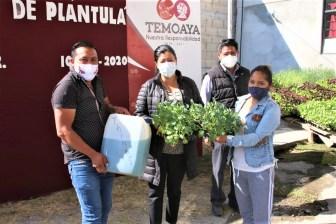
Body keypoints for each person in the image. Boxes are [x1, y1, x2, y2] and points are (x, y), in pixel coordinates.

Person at [51, 41, 129, 224]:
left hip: (104, 155)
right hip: (82, 161)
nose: (90, 63)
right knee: (92, 215)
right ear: (71, 61)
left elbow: (105, 106)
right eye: (84, 59)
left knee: (105, 208)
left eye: (94, 59)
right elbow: (63, 130)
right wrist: (93, 155)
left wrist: (116, 109)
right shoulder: (66, 88)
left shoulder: (98, 81)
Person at [134, 44, 203, 224]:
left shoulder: (188, 84)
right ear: (156, 64)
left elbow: (200, 109)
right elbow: (139, 114)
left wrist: (192, 123)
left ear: (176, 61)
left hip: (180, 152)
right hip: (157, 151)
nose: (167, 63)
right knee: (155, 194)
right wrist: (155, 123)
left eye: (170, 60)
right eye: (163, 61)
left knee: (175, 192)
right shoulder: (149, 86)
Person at [216, 65, 281, 224]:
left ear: (269, 86)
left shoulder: (271, 109)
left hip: (259, 169)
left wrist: (228, 139)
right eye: (252, 81)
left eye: (261, 83)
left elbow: (256, 138)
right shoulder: (241, 102)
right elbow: (233, 127)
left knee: (261, 219)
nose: (255, 86)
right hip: (238, 167)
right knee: (246, 215)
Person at [200, 38, 250, 216]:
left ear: (238, 54)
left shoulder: (246, 73)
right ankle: (217, 201)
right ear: (219, 55)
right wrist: (207, 132)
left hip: (240, 131)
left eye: (233, 53)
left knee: (238, 167)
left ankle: (236, 199)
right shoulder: (211, 76)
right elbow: (204, 106)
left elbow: (252, 100)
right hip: (219, 131)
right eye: (226, 53)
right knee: (218, 168)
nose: (230, 56)